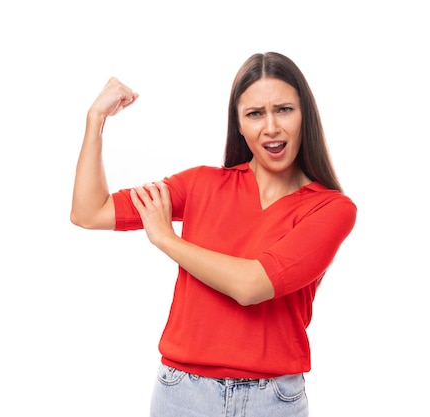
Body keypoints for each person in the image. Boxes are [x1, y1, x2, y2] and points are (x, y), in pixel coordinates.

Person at [71, 51, 357, 417]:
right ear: (238, 124)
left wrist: (167, 240)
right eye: (255, 114)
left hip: (272, 401)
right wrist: (95, 120)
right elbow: (89, 212)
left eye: (284, 109)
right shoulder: (202, 185)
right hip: (182, 395)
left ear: (306, 116)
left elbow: (252, 284)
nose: (271, 127)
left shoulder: (331, 209)